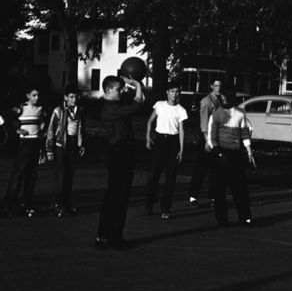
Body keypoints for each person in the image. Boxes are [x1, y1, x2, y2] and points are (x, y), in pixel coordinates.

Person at [96, 74, 145, 249]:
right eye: (119, 89)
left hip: (125, 151)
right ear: (108, 91)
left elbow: (140, 100)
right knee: (115, 196)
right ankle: (105, 237)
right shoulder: (110, 108)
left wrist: (133, 86)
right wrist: (138, 83)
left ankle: (115, 236)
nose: (122, 91)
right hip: (118, 153)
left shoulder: (118, 105)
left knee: (122, 196)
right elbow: (138, 103)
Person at [207, 88, 256, 227]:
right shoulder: (216, 114)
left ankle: (245, 218)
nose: (221, 100)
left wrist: (249, 151)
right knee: (219, 189)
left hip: (235, 154)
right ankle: (222, 220)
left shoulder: (240, 114)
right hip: (220, 153)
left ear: (230, 98)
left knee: (240, 188)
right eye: (220, 99)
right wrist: (219, 153)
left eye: (223, 98)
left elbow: (244, 133)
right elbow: (212, 137)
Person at [143, 84, 188, 218]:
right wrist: (147, 137)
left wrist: (181, 149)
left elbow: (181, 130)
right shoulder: (160, 105)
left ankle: (165, 208)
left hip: (173, 143)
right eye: (172, 91)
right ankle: (149, 205)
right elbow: (150, 121)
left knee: (170, 178)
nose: (175, 94)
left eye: (177, 91)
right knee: (153, 175)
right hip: (159, 141)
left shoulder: (181, 110)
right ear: (167, 92)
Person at [3, 87, 46, 217]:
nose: (36, 98)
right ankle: (9, 205)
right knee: (18, 174)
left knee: (32, 176)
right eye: (33, 95)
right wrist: (17, 130)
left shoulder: (41, 109)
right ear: (27, 96)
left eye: (38, 95)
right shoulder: (21, 107)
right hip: (24, 144)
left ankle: (26, 204)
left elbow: (43, 123)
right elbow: (7, 118)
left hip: (35, 143)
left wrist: (41, 134)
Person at [45, 86, 85, 217]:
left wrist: (82, 145)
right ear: (65, 97)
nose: (74, 100)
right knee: (60, 176)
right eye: (71, 97)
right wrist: (49, 149)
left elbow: (81, 127)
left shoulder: (80, 110)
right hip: (60, 144)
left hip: (74, 144)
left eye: (76, 97)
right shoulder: (58, 111)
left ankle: (67, 203)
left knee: (70, 175)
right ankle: (56, 204)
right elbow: (51, 129)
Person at [188, 79, 223, 207]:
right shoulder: (206, 101)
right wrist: (207, 141)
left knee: (215, 168)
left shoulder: (220, 100)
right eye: (216, 86)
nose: (218, 88)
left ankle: (213, 196)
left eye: (220, 86)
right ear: (211, 86)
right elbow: (204, 122)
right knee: (201, 168)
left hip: (217, 137)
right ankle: (193, 196)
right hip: (207, 137)